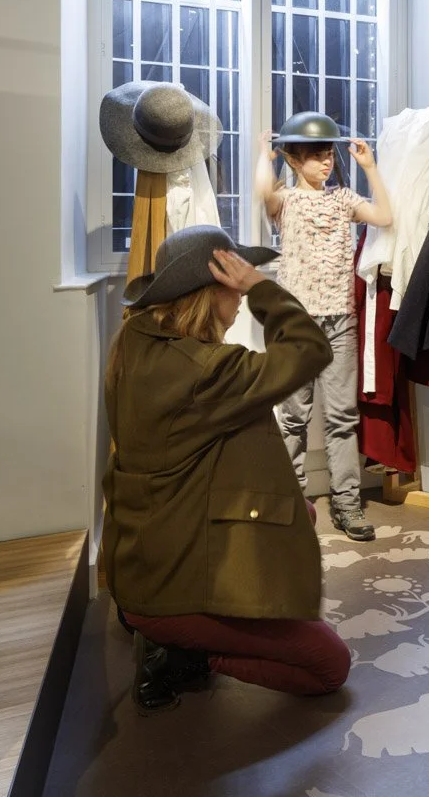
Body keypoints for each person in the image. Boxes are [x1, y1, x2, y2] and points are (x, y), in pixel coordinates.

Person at [103, 224, 350, 714]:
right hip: (166, 592)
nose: (239, 296)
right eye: (234, 284)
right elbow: (309, 349)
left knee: (299, 511)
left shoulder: (136, 338)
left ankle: (164, 630)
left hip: (140, 561)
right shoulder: (205, 371)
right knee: (328, 665)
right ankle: (185, 654)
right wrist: (262, 289)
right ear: (208, 291)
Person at [255, 112, 393, 542]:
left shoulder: (343, 199)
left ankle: (347, 505)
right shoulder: (286, 201)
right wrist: (264, 153)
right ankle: (292, 505)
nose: (325, 162)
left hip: (340, 323)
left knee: (342, 419)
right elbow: (264, 191)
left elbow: (384, 216)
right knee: (293, 418)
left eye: (328, 154)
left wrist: (370, 166)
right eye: (315, 156)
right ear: (294, 160)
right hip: (296, 326)